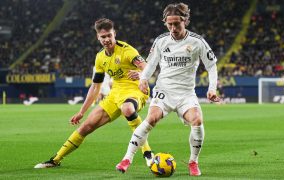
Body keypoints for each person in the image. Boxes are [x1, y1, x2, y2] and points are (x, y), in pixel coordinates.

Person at [116, 3, 219, 176]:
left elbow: (212, 66)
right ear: (165, 23)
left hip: (186, 93)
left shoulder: (197, 41)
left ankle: (193, 162)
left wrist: (212, 88)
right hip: (164, 91)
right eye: (169, 24)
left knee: (197, 121)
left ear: (185, 20)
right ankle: (127, 159)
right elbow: (150, 64)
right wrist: (143, 79)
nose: (173, 28)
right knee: (151, 118)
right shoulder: (161, 40)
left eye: (176, 24)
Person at [34, 18, 154, 168]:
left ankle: (148, 154)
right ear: (98, 37)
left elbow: (147, 66)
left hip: (135, 89)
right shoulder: (100, 57)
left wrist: (142, 75)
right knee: (86, 127)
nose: (107, 39)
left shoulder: (127, 50)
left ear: (114, 34)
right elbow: (95, 87)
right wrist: (81, 112)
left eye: (109, 35)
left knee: (127, 108)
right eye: (103, 37)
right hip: (115, 93)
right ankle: (55, 159)